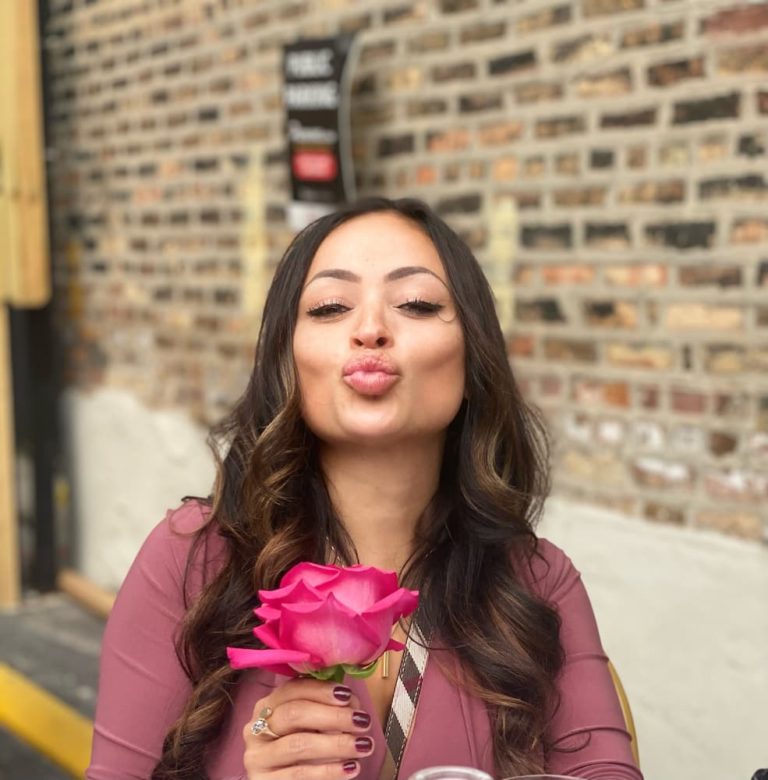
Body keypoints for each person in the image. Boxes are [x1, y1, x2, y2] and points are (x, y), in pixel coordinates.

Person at [87, 197, 643, 780]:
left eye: (417, 304)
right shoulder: (193, 559)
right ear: (288, 360)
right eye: (330, 307)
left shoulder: (536, 581)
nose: (371, 330)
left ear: (473, 360)